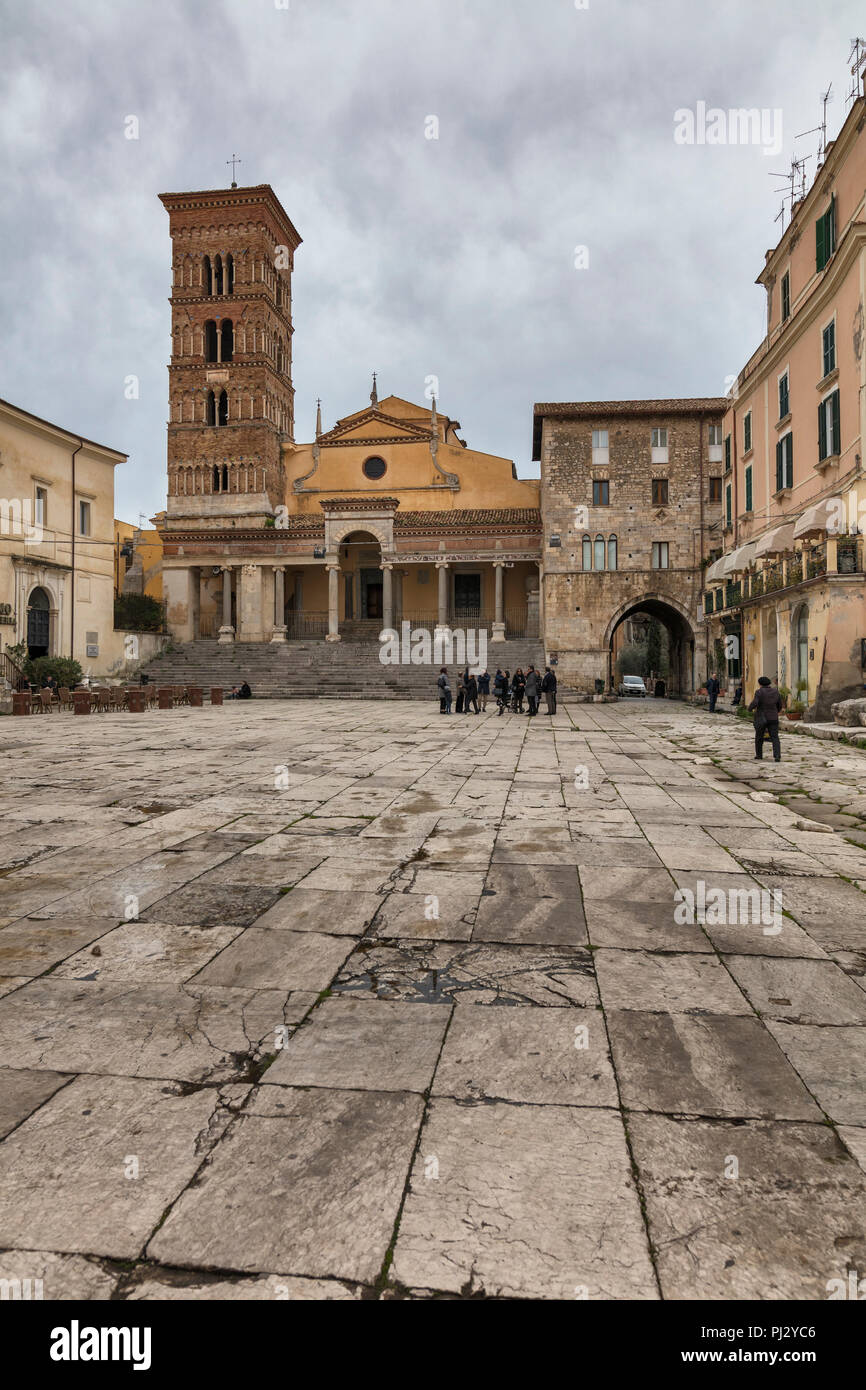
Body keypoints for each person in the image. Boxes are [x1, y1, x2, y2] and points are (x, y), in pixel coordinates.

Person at [749, 675, 782, 762]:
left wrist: (749, 709)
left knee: (759, 737)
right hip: (773, 717)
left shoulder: (759, 692)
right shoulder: (776, 691)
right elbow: (780, 705)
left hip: (762, 717)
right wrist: (776, 711)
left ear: (760, 684)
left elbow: (755, 702)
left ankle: (759, 755)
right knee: (775, 737)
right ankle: (777, 755)